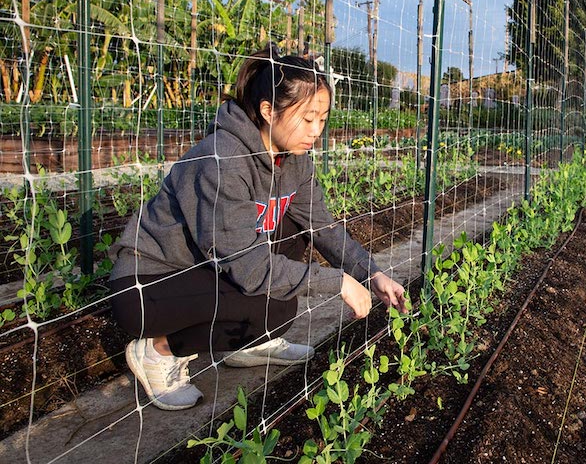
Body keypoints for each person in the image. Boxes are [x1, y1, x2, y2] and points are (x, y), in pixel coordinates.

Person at [109, 47, 407, 411]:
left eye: (323, 119)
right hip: (154, 284)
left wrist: (371, 275)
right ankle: (157, 350)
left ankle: (243, 344)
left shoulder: (295, 162)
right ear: (268, 110)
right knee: (270, 304)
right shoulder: (222, 159)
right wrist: (338, 283)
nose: (317, 131)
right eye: (308, 118)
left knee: (283, 286)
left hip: (213, 270)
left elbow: (323, 228)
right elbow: (249, 269)